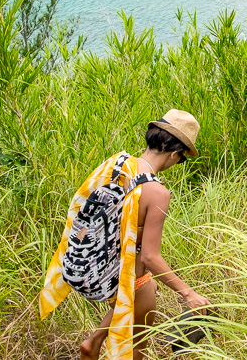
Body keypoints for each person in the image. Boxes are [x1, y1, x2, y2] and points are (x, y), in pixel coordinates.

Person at [38, 109, 211, 360]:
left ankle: (94, 341)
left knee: (138, 279)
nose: (178, 163)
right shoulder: (157, 192)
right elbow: (151, 257)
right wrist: (188, 293)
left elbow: (83, 208)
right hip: (120, 277)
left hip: (84, 264)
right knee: (136, 345)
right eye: (182, 158)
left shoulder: (116, 163)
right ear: (175, 153)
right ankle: (94, 342)